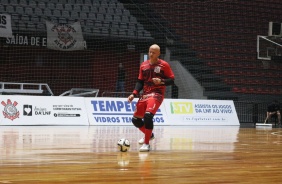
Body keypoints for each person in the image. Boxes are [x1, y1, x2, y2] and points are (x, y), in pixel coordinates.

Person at [127, 44, 175, 152]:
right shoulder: (143, 65)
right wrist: (133, 94)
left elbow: (172, 80)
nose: (151, 54)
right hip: (145, 95)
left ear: (158, 53)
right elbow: (140, 82)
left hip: (157, 94)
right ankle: (149, 135)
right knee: (136, 120)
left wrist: (161, 81)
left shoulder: (164, 65)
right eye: (150, 51)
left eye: (153, 52)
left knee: (148, 116)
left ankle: (146, 144)